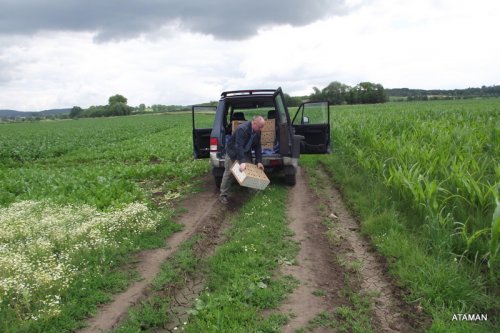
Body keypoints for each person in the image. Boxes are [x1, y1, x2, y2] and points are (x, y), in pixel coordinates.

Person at [219, 115, 265, 204]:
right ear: (254, 123)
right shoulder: (242, 129)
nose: (261, 129)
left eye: (262, 127)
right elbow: (238, 146)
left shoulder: (258, 131)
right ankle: (223, 195)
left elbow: (258, 147)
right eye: (260, 127)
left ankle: (252, 190)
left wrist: (259, 161)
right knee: (229, 173)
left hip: (245, 152)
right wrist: (242, 162)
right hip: (233, 152)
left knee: (250, 171)